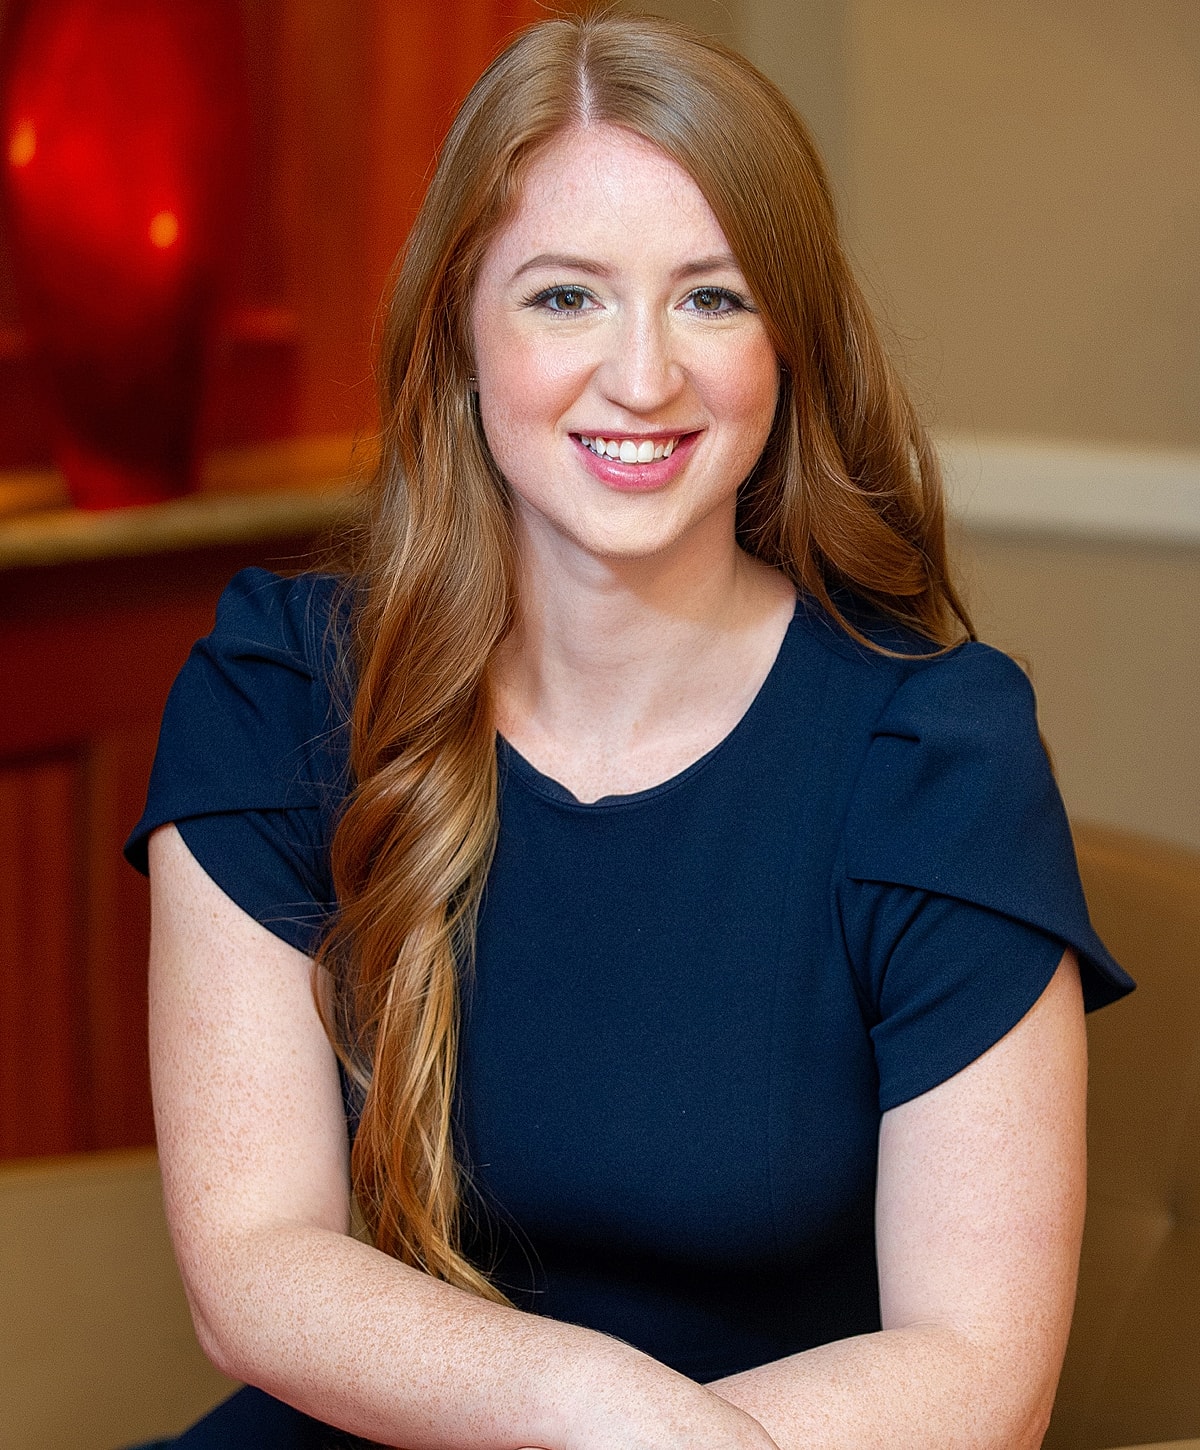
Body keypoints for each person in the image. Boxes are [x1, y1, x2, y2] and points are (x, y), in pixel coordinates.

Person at [126, 11, 1132, 1449]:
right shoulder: (280, 690)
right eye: (564, 297)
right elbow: (252, 1267)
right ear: (461, 334)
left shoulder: (937, 756)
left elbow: (981, 1368)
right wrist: (593, 1405)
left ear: (789, 341)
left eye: (712, 298)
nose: (644, 374)